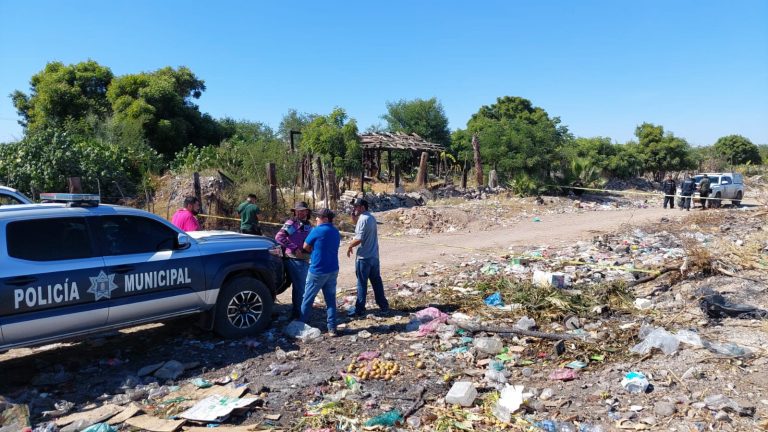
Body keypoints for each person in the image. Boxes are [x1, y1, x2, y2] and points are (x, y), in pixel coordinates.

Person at [299, 208, 341, 336]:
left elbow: (305, 246)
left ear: (325, 219)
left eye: (318, 217)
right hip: (333, 269)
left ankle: (301, 326)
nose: (316, 219)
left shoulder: (317, 230)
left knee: (307, 298)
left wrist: (313, 250)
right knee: (330, 300)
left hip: (317, 270)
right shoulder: (335, 231)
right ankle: (332, 328)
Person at [346, 198, 389, 318]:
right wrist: (353, 216)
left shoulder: (363, 219)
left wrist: (350, 246)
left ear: (362, 207)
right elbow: (358, 226)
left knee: (361, 283)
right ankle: (384, 306)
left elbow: (359, 238)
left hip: (363, 257)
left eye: (356, 207)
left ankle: (359, 309)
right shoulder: (370, 218)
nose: (354, 208)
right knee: (376, 282)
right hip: (374, 256)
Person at [275, 201, 313, 319]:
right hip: (294, 259)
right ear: (295, 212)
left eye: (303, 210)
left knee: (298, 287)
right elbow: (279, 237)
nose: (300, 213)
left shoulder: (308, 224)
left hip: (304, 259)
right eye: (298, 211)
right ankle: (300, 315)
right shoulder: (292, 223)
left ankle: (297, 313)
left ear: (307, 211)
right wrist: (294, 248)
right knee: (301, 288)